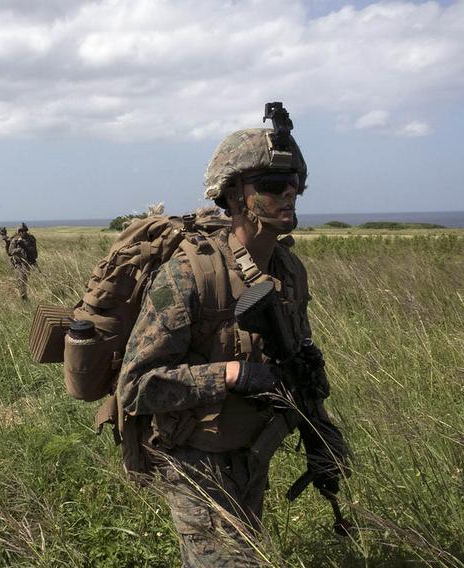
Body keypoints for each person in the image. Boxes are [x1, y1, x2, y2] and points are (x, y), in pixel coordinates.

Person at [115, 103, 350, 566]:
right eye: (270, 186)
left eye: (294, 184)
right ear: (235, 195)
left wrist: (320, 430)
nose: (289, 195)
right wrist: (230, 375)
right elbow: (136, 388)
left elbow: (298, 358)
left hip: (252, 452)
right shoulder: (191, 275)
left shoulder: (288, 269)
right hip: (196, 461)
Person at [5, 225, 38, 299]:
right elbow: (10, 252)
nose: (22, 233)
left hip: (28, 262)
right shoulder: (15, 240)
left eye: (24, 231)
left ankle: (24, 294)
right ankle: (23, 296)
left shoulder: (31, 239)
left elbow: (34, 252)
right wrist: (18, 250)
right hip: (19, 263)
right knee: (21, 279)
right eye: (20, 231)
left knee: (25, 279)